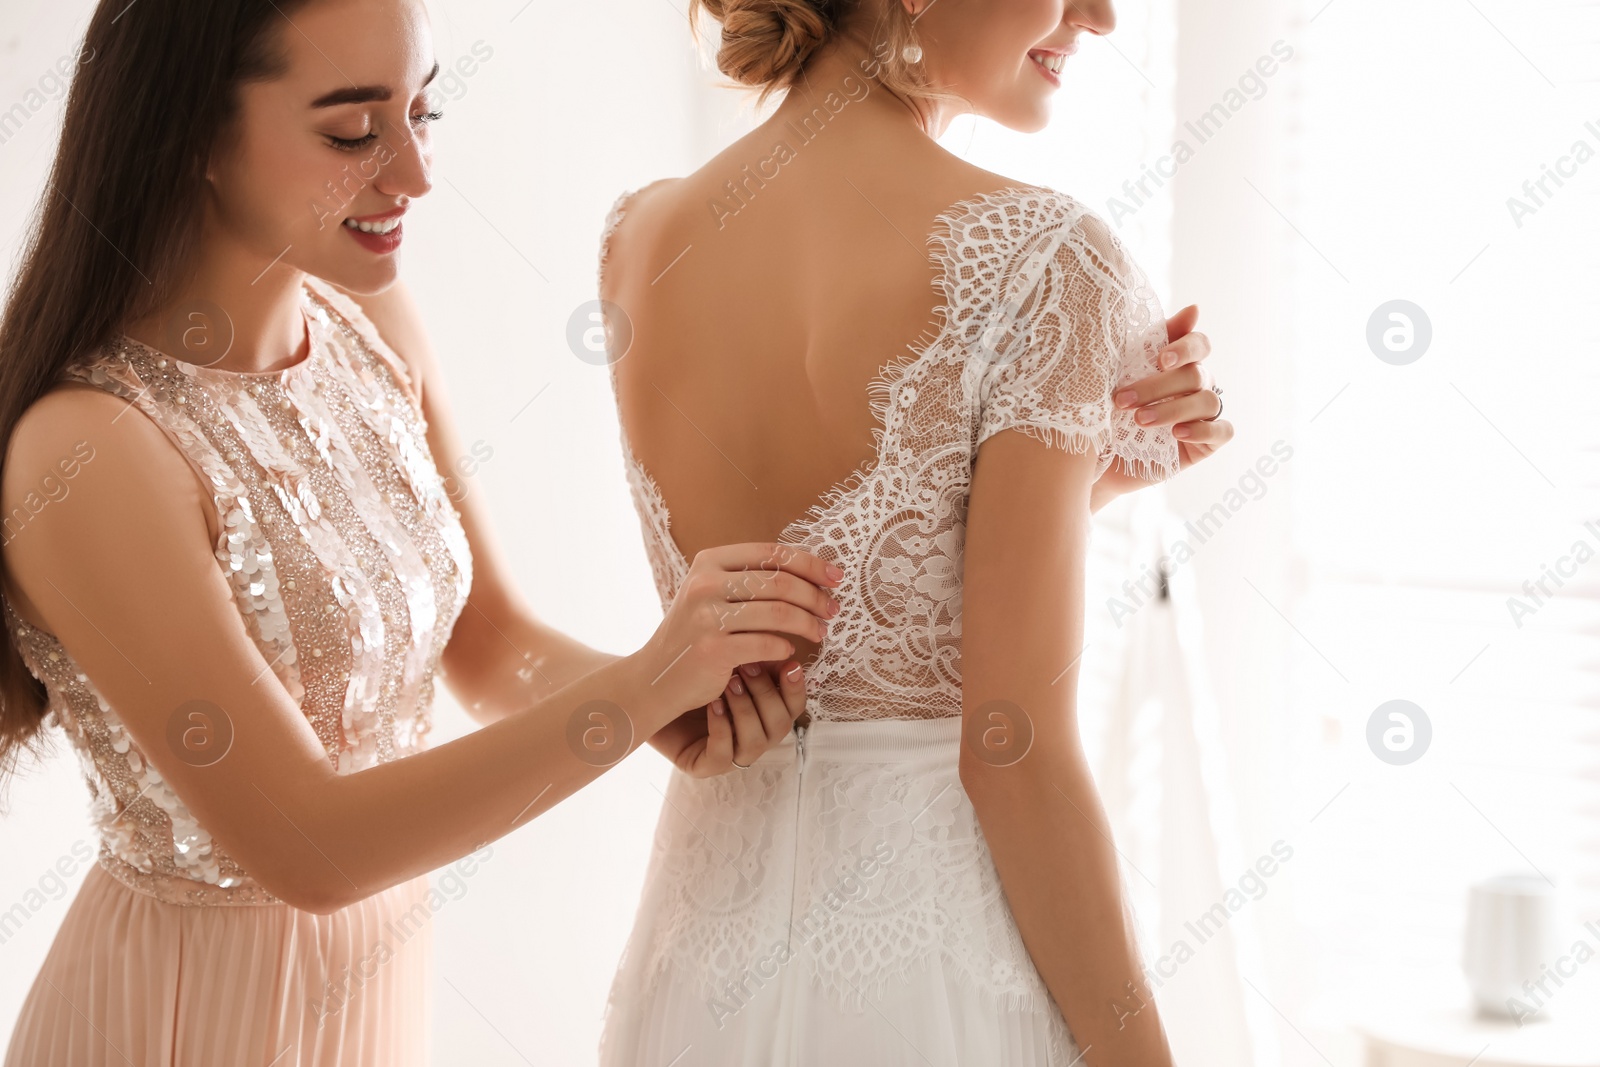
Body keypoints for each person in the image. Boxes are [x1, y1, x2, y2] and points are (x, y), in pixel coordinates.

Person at [0, 1, 840, 1064]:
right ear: (188, 134)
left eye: (424, 111)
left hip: (374, 993)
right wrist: (635, 693)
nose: (415, 174)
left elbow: (491, 647)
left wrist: (666, 700)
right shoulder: (87, 451)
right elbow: (309, 844)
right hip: (174, 1014)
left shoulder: (371, 326)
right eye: (354, 133)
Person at [594, 0, 1234, 1063]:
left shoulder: (642, 237)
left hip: (694, 964)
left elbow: (845, 597)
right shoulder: (1047, 256)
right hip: (932, 972)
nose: (1103, 15)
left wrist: (1088, 479)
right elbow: (1010, 754)